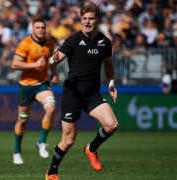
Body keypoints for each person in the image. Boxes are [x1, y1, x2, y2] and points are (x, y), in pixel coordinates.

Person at [45, 3, 118, 180]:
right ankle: (52, 172)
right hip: (73, 95)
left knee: (111, 125)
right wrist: (53, 64)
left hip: (92, 94)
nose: (87, 22)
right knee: (68, 140)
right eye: (84, 18)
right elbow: (53, 62)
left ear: (97, 19)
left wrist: (111, 83)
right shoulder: (73, 40)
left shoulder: (105, 42)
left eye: (91, 18)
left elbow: (108, 65)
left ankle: (91, 149)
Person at [11, 18, 57, 164]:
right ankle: (17, 150)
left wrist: (53, 73)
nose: (41, 30)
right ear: (32, 30)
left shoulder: (50, 43)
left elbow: (51, 62)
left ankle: (41, 142)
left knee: (51, 107)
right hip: (26, 86)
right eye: (38, 27)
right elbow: (14, 64)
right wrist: (35, 64)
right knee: (22, 120)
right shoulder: (25, 43)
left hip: (42, 84)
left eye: (43, 27)